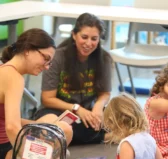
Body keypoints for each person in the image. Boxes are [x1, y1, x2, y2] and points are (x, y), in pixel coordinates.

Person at [0, 28, 73, 159]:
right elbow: (12, 127)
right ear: (27, 51)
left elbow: (7, 119)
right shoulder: (14, 77)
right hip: (3, 153)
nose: (46, 67)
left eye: (50, 62)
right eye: (45, 59)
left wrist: (38, 124)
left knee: (50, 120)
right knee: (64, 130)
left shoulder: (5, 70)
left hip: (4, 147)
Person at [34, 13, 112, 145]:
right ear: (74, 35)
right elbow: (47, 99)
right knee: (58, 127)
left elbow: (105, 93)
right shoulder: (58, 57)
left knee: (121, 116)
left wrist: (98, 107)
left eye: (94, 39)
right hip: (58, 111)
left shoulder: (104, 58)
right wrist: (76, 109)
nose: (88, 43)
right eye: (84, 37)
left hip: (87, 111)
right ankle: (103, 137)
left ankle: (95, 136)